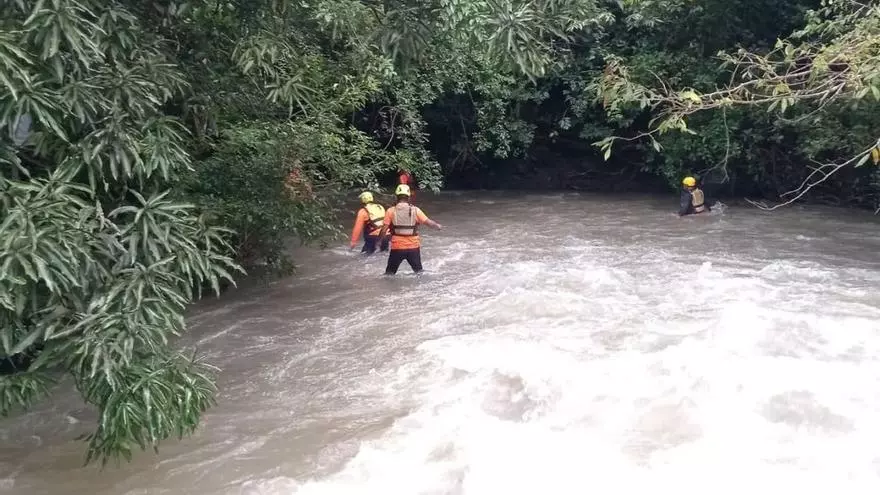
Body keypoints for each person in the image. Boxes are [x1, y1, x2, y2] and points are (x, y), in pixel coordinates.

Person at [378, 184, 442, 275]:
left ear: (396, 196)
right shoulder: (416, 210)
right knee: (419, 273)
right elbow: (429, 223)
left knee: (389, 274)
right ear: (409, 197)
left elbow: (384, 230)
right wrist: (438, 226)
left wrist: (379, 241)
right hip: (413, 247)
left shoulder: (390, 211)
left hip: (397, 247)